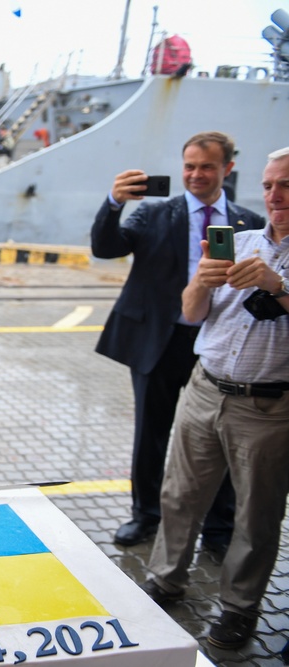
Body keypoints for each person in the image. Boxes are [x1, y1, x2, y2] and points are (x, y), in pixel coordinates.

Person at [140, 146, 289, 650]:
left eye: (286, 185)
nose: (275, 196)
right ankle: (164, 578)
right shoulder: (238, 241)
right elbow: (192, 312)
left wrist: (279, 286)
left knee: (256, 514)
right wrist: (200, 284)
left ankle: (240, 609)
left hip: (269, 407)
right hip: (205, 390)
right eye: (268, 185)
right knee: (179, 495)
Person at [90, 131, 265, 552]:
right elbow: (105, 247)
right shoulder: (153, 213)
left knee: (223, 436)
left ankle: (220, 528)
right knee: (151, 432)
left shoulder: (248, 223)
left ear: (228, 168)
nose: (196, 174)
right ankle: (145, 516)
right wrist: (115, 203)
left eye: (207, 166)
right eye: (189, 166)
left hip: (219, 343)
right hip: (159, 339)